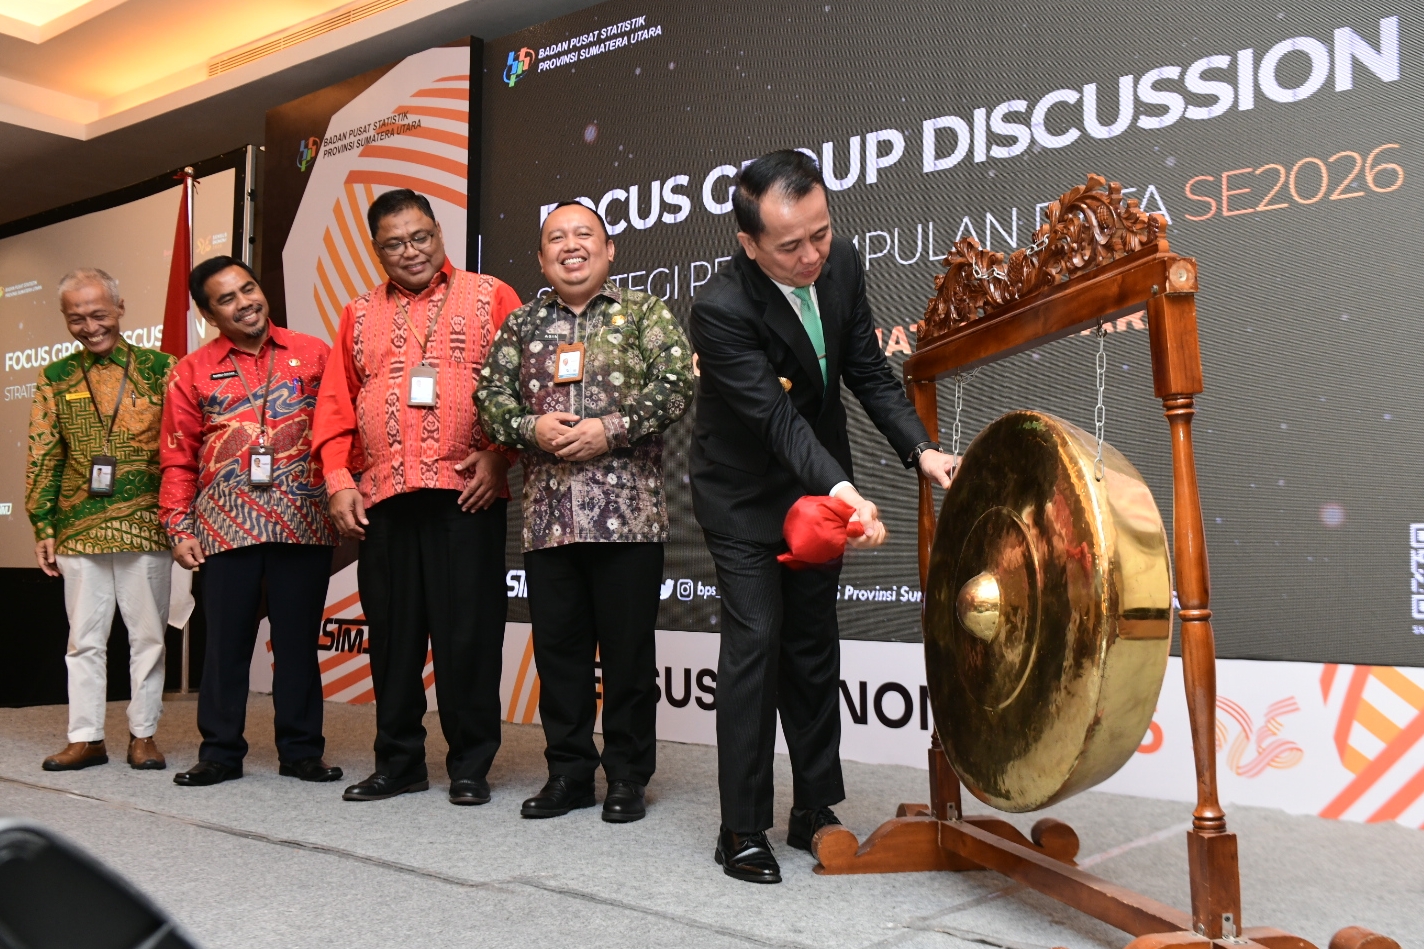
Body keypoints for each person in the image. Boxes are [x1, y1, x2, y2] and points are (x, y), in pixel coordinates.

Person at [689, 150, 955, 883]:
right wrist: (845, 491)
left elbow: (865, 371)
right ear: (748, 243)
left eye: (821, 233)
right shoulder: (719, 309)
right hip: (744, 495)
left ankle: (813, 807)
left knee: (812, 642)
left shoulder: (841, 267)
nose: (811, 255)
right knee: (757, 644)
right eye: (789, 245)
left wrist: (921, 452)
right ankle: (740, 827)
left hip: (820, 485)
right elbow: (776, 422)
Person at [478, 202, 693, 823]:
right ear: (543, 258)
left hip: (629, 518)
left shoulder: (644, 313)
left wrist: (610, 430)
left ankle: (627, 776)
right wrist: (530, 426)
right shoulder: (520, 325)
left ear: (609, 248)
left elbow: (676, 383)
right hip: (549, 524)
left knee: (628, 656)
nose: (571, 246)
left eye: (584, 235)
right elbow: (488, 399)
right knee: (560, 657)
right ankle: (568, 773)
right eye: (556, 239)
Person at [312, 189, 522, 806]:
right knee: (395, 637)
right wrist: (338, 480)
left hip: (467, 495)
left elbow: (520, 386)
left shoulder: (491, 295)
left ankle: (470, 765)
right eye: (395, 244)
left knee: (469, 636)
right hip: (385, 497)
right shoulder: (356, 313)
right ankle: (399, 762)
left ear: (438, 232)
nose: (411, 251)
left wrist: (500, 453)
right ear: (376, 251)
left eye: (421, 236)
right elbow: (334, 405)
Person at [159, 257, 342, 787]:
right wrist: (179, 524)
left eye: (249, 289)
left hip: (300, 519)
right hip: (223, 526)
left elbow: (336, 429)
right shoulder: (190, 371)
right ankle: (219, 751)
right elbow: (177, 454)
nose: (245, 303)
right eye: (227, 298)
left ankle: (302, 751)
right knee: (226, 645)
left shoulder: (313, 354)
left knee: (297, 642)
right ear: (208, 313)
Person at [27, 268, 175, 773]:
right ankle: (86, 737)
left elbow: (179, 448)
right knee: (84, 638)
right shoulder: (55, 378)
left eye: (98, 314)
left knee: (148, 635)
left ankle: (143, 734)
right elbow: (43, 454)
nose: (89, 327)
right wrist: (42, 525)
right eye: (76, 318)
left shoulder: (162, 368)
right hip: (76, 525)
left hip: (146, 521)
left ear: (120, 308)